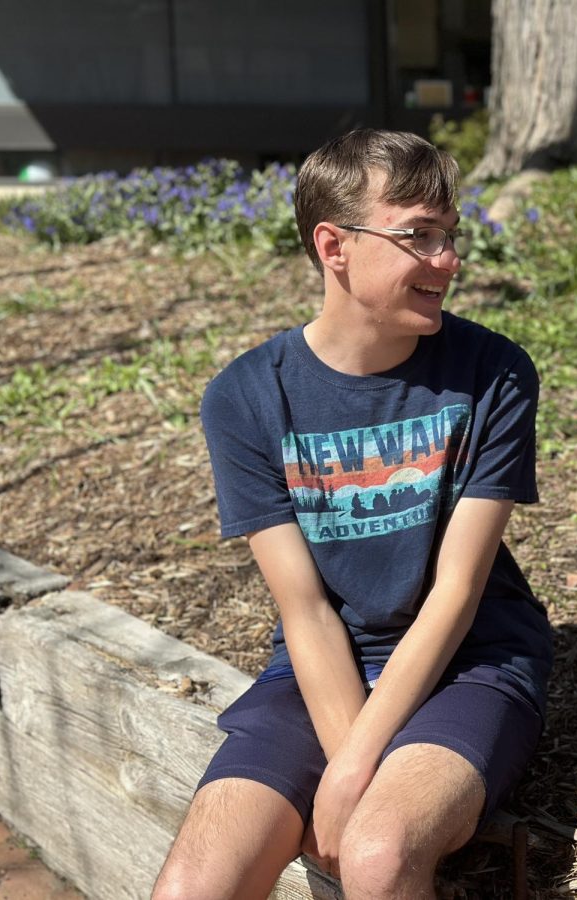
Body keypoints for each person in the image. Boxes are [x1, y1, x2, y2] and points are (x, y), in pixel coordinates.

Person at [152, 130, 552, 900]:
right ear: (333, 245)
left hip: (474, 657)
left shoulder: (492, 373)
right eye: (418, 237)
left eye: (449, 235)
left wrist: (355, 775)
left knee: (377, 853)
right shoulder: (246, 397)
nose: (448, 259)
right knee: (193, 886)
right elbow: (304, 611)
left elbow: (457, 593)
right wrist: (349, 764)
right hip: (320, 668)